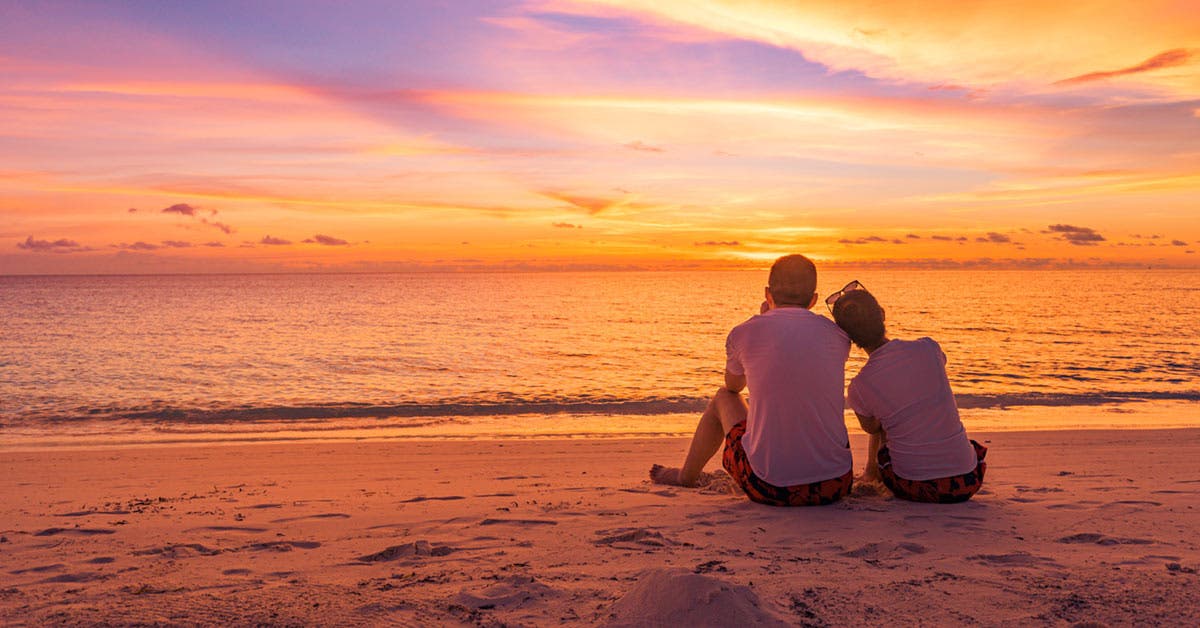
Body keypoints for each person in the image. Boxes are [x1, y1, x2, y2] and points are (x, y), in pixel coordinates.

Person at [650, 254, 854, 506]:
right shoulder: (838, 335)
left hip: (769, 487)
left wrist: (763, 320)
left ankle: (685, 476)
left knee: (722, 398)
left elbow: (734, 386)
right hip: (836, 484)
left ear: (768, 293)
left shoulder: (744, 332)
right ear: (813, 300)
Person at [828, 281, 986, 503]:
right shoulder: (929, 348)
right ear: (882, 314)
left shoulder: (860, 387)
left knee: (881, 417)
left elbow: (872, 428)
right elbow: (939, 367)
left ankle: (871, 473)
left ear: (848, 337)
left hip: (914, 485)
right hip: (967, 480)